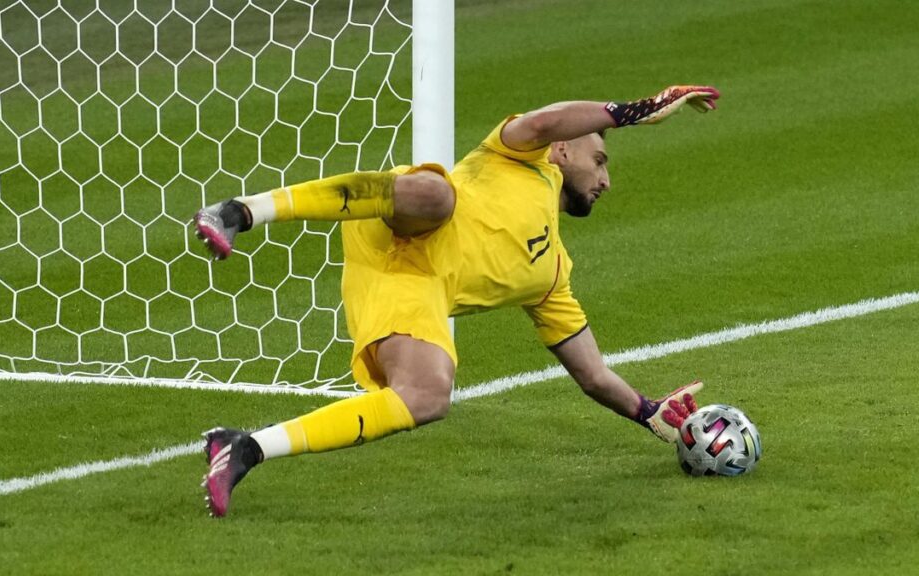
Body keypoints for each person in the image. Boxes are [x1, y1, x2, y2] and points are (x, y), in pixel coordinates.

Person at [193, 85, 720, 517]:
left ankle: (243, 448)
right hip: (401, 218)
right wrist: (634, 111)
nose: (606, 179)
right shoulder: (519, 154)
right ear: (564, 150)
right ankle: (239, 212)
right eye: (600, 159)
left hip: (405, 284)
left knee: (428, 397)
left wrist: (647, 410)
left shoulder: (551, 274)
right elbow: (542, 120)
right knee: (438, 194)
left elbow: (593, 374)